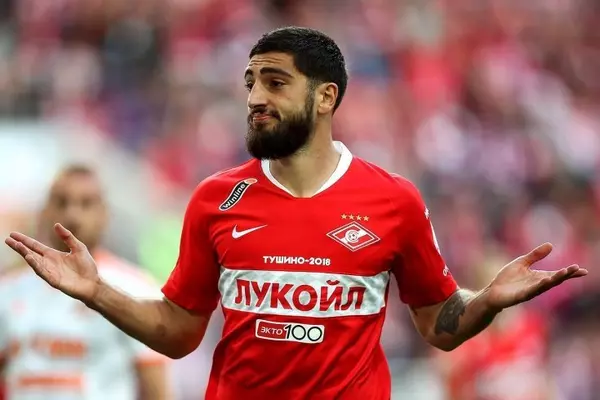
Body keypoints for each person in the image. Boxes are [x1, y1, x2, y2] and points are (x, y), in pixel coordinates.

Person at [4, 27, 587, 399]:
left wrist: (486, 301)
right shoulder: (215, 199)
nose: (256, 97)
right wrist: (97, 292)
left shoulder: (394, 200)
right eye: (251, 82)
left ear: (325, 96)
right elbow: (178, 333)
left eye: (276, 82)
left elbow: (437, 324)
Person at [0, 165, 171, 400]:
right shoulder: (8, 291)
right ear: (44, 212)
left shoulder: (137, 290)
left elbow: (158, 392)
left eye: (86, 204)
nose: (73, 215)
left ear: (104, 214)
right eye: (61, 202)